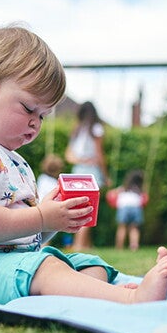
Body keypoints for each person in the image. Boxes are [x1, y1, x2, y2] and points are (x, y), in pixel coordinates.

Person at [0, 25, 167, 306]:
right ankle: (130, 298)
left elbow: (22, 232)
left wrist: (53, 220)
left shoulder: (11, 157)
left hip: (9, 264)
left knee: (90, 264)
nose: (35, 124)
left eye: (43, 116)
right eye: (30, 109)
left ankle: (92, 293)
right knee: (48, 269)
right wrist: (41, 216)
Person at [65, 100, 111, 251]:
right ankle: (78, 246)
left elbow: (68, 155)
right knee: (89, 210)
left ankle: (86, 245)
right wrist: (105, 176)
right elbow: (99, 155)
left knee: (79, 206)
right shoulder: (96, 129)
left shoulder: (77, 130)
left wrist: (81, 159)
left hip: (77, 172)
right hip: (91, 173)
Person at [111, 169, 147, 251]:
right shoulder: (139, 190)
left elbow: (112, 193)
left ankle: (119, 247)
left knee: (122, 227)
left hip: (124, 207)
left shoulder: (123, 188)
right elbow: (144, 199)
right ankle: (134, 247)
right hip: (136, 207)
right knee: (134, 228)